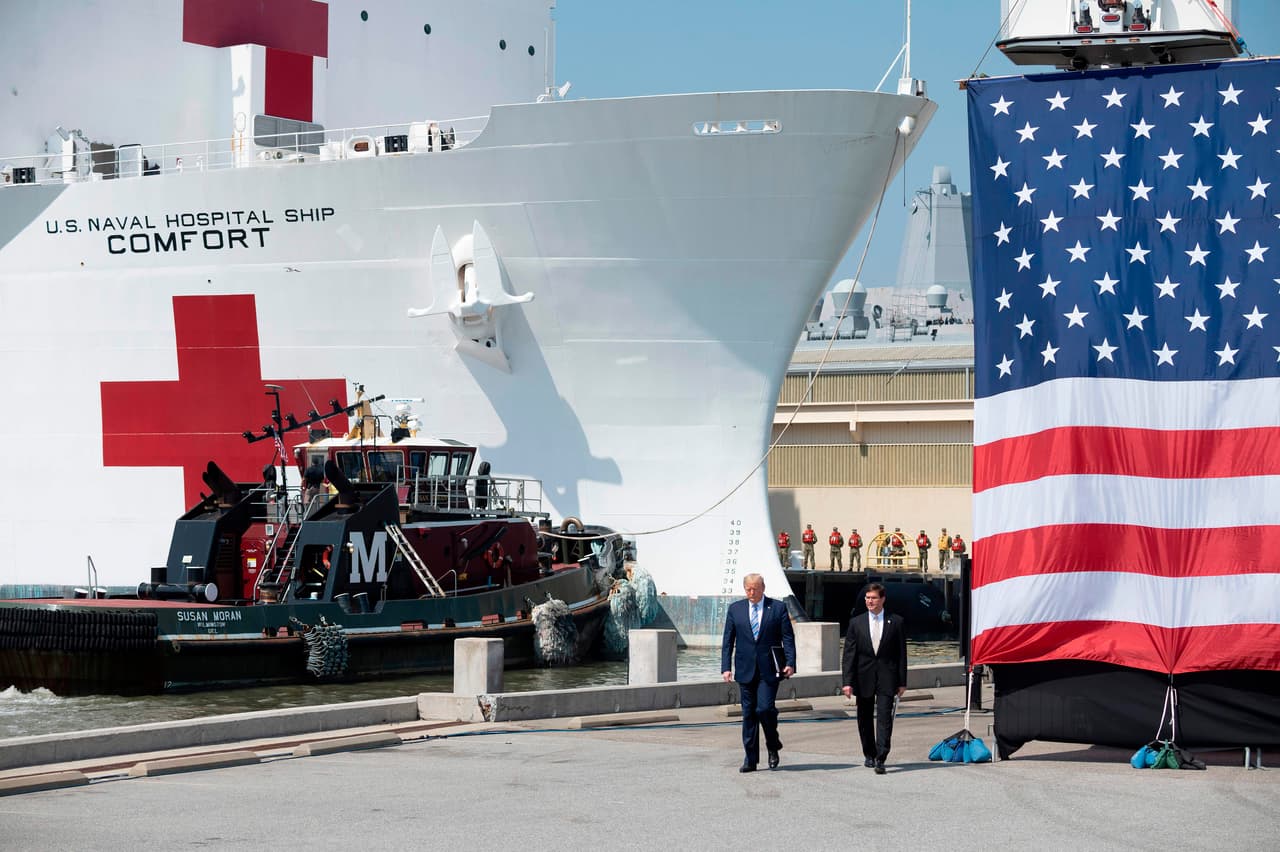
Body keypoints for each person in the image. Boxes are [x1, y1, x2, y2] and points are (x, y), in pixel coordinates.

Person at [721, 573, 796, 772]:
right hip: (745, 669)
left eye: (755, 589)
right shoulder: (735, 609)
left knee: (764, 709)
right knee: (748, 715)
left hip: (769, 669)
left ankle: (773, 745)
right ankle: (750, 759)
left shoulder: (777, 608)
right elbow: (728, 641)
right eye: (748, 589)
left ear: (763, 588)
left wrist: (790, 663)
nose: (752, 593)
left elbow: (787, 638)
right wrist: (726, 667)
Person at [842, 582, 907, 774]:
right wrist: (847, 682)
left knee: (885, 717)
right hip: (864, 677)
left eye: (874, 598)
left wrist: (902, 681)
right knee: (864, 717)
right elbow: (849, 655)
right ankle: (869, 753)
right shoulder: (856, 622)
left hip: (888, 676)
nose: (870, 601)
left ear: (882, 599)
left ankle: (881, 756)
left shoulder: (896, 622)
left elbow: (901, 654)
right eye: (867, 598)